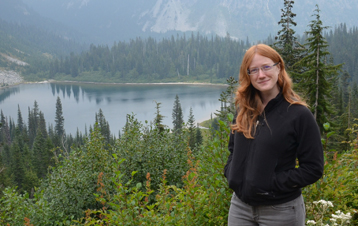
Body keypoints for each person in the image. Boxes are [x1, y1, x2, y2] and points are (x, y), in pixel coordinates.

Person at [224, 44, 324, 226]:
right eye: (253, 70)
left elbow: (313, 168)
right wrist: (232, 174)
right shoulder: (243, 110)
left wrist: (271, 183)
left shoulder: (298, 114)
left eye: (266, 67)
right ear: (247, 75)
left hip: (281, 211)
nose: (261, 75)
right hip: (240, 208)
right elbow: (233, 150)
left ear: (279, 68)